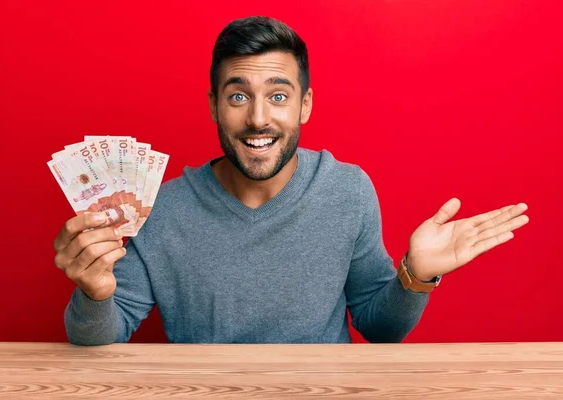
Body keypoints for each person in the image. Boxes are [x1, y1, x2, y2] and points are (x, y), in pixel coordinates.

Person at [53, 16, 529, 345]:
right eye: (238, 96)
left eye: (278, 96)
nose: (258, 118)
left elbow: (381, 328)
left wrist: (416, 276)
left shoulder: (348, 190)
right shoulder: (163, 208)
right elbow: (101, 337)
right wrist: (95, 295)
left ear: (305, 105)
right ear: (214, 105)